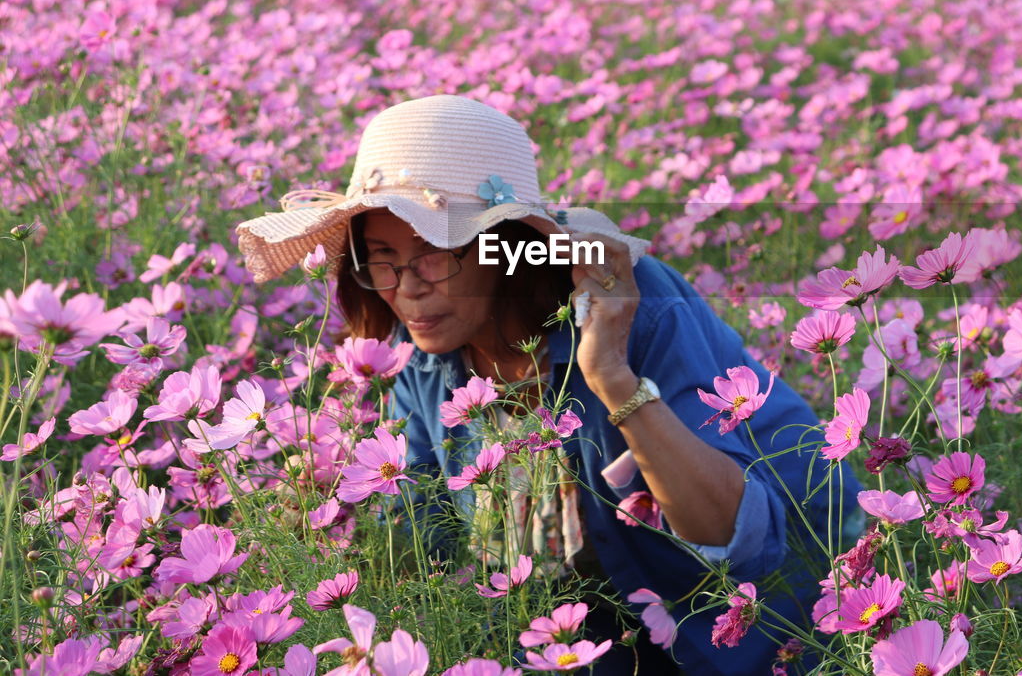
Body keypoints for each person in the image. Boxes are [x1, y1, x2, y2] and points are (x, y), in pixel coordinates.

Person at [237, 95, 863, 675]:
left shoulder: (637, 306)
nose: (407, 287)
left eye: (433, 252)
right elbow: (424, 534)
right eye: (381, 256)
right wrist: (325, 524)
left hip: (774, 628)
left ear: (508, 249)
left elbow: (736, 537)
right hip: (590, 640)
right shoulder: (426, 351)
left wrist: (611, 378)